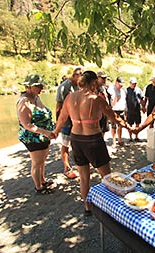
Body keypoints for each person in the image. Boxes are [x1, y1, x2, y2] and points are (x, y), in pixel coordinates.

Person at [53, 70, 131, 215]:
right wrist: (130, 127)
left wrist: (55, 132)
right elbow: (114, 117)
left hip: (76, 139)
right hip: (93, 139)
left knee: (83, 177)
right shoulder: (96, 98)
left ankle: (87, 207)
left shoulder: (70, 97)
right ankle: (111, 206)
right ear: (94, 82)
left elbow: (62, 118)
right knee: (107, 176)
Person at [16, 74, 56, 194]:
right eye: (38, 85)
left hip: (44, 135)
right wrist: (45, 132)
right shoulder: (24, 102)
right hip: (33, 137)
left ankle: (43, 180)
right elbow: (26, 124)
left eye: (41, 85)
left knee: (42, 160)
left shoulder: (36, 98)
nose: (41, 87)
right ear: (28, 87)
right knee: (36, 162)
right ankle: (39, 187)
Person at [56, 67, 83, 179]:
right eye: (80, 77)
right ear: (75, 75)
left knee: (77, 143)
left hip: (77, 119)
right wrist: (58, 124)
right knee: (65, 144)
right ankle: (66, 168)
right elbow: (58, 106)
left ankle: (79, 165)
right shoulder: (63, 87)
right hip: (66, 121)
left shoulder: (79, 86)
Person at [107, 77, 127, 147]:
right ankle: (114, 141)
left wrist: (125, 110)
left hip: (121, 109)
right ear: (116, 82)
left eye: (122, 84)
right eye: (120, 84)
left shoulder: (123, 90)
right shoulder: (111, 89)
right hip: (114, 109)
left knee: (120, 126)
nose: (121, 86)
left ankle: (120, 140)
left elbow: (125, 100)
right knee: (113, 126)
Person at [126, 77, 144, 142]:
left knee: (137, 123)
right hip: (130, 109)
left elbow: (142, 99)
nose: (134, 85)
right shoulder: (127, 90)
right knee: (130, 124)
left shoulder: (138, 90)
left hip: (137, 109)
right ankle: (130, 137)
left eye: (135, 83)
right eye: (133, 83)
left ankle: (136, 136)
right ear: (130, 83)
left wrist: (143, 107)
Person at [96, 70, 111, 137]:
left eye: (105, 78)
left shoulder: (104, 88)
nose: (104, 80)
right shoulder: (93, 88)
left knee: (103, 130)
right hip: (96, 114)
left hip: (104, 113)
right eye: (102, 78)